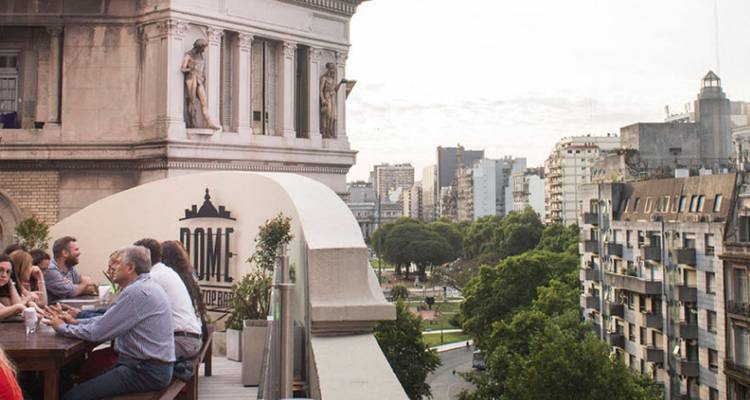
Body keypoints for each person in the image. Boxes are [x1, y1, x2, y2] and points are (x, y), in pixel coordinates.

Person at [45, 246, 175, 400]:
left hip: (144, 370)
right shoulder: (146, 286)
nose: (113, 267)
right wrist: (75, 322)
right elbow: (107, 320)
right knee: (79, 382)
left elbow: (97, 332)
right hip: (150, 367)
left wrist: (61, 327)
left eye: (118, 263)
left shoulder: (136, 292)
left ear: (130, 268)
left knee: (73, 397)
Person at [135, 239, 202, 359]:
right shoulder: (169, 272)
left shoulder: (153, 277)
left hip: (181, 340)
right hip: (192, 336)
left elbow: (133, 306)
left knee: (130, 351)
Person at [181, 39, 220, 130]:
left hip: (199, 80)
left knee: (204, 102)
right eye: (203, 48)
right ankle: (192, 123)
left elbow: (201, 68)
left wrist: (203, 75)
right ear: (199, 47)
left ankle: (209, 122)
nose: (204, 50)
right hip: (191, 79)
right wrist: (191, 69)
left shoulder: (201, 55)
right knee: (192, 102)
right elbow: (182, 68)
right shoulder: (188, 55)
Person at [44, 236, 94, 303]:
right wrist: (84, 284)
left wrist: (77, 287)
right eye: (76, 250)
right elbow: (70, 292)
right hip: (53, 310)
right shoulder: (50, 269)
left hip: (69, 308)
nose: (79, 253)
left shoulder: (70, 266)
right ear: (65, 253)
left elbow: (90, 288)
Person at [0, 255, 34, 320]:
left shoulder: (6, 286)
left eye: (8, 272)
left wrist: (11, 284)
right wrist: (26, 300)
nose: (4, 275)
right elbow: (4, 311)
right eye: (0, 270)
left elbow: (17, 306)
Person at [319, 62, 345, 138]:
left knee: (333, 116)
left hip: (332, 97)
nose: (334, 72)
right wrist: (323, 99)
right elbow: (320, 90)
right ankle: (325, 132)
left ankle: (330, 131)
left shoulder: (333, 80)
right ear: (329, 70)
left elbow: (335, 89)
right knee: (328, 115)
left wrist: (340, 83)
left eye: (334, 70)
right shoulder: (324, 78)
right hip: (327, 96)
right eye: (332, 70)